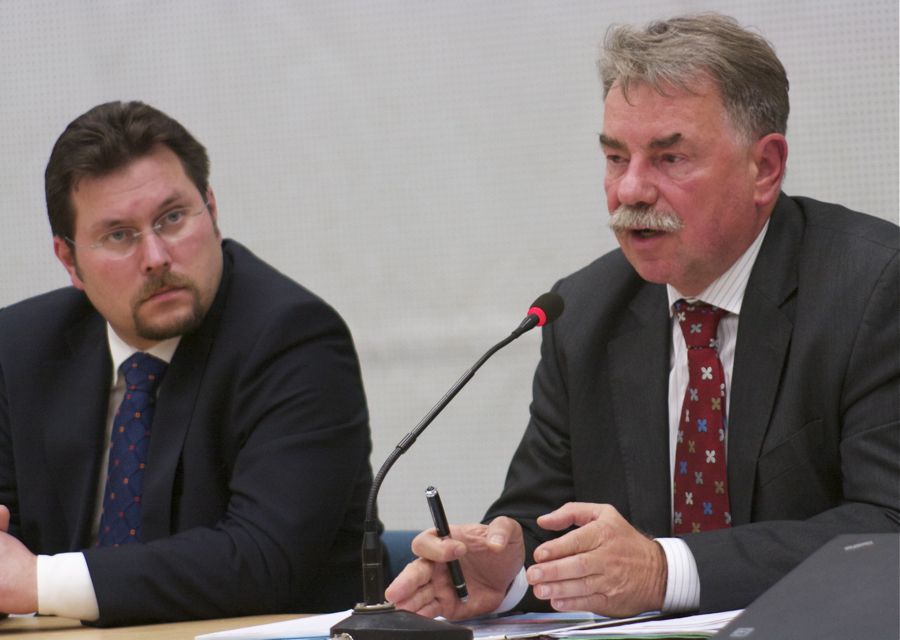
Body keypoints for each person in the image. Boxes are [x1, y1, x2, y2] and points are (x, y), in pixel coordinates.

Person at [386, 13, 899, 620]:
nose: (630, 190)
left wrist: (666, 570)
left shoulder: (873, 289)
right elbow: (542, 519)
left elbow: (887, 528)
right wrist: (508, 570)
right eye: (614, 157)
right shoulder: (582, 313)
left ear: (764, 167)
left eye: (669, 158)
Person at [0, 101, 376, 626]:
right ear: (70, 261)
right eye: (118, 235)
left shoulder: (294, 338)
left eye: (172, 218)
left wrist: (36, 581)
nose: (155, 256)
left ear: (212, 209)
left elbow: (264, 560)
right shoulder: (19, 349)